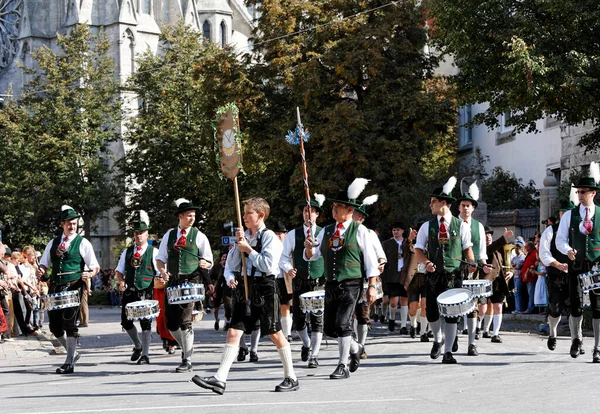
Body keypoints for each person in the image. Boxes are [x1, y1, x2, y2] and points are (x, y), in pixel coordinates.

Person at [192, 197, 299, 394]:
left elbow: (268, 265)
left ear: (260, 215)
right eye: (244, 212)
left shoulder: (270, 238)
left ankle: (291, 376)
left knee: (275, 333)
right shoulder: (244, 237)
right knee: (234, 331)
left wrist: (248, 250)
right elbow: (231, 264)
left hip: (266, 288)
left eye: (249, 213)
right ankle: (219, 378)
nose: (244, 217)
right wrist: (238, 245)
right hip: (245, 287)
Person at [304, 178, 380, 379]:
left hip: (352, 283)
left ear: (350, 211)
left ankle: (342, 365)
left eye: (339, 207)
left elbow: (371, 261)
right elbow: (314, 256)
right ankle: (355, 347)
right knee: (330, 327)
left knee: (343, 323)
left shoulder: (360, 230)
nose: (334, 210)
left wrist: (371, 286)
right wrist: (308, 248)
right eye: (334, 206)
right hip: (331, 284)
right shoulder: (327, 231)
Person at [413, 177, 480, 364]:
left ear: (444, 203)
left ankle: (449, 352)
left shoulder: (461, 226)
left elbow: (467, 248)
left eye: (433, 202)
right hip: (434, 274)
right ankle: (437, 339)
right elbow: (418, 249)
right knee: (432, 312)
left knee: (452, 313)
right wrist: (426, 262)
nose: (430, 205)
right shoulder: (427, 226)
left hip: (454, 274)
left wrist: (472, 262)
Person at [37, 205, 100, 374]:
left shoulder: (83, 242)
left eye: (74, 223)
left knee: (70, 323)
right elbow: (44, 262)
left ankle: (69, 361)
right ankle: (73, 352)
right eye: (69, 224)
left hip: (74, 286)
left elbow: (95, 267)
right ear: (62, 224)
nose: (72, 227)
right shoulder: (54, 242)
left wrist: (89, 274)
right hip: (55, 287)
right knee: (55, 327)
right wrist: (41, 270)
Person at [156, 198, 214, 372]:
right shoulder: (169, 235)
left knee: (185, 321)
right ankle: (187, 348)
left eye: (193, 216)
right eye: (189, 215)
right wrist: (162, 271)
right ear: (180, 216)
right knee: (171, 323)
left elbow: (208, 259)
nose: (192, 219)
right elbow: (160, 259)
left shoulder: (199, 236)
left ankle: (186, 359)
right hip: (173, 281)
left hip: (192, 280)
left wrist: (206, 263)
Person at [556, 164, 600, 361]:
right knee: (575, 303)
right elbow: (560, 239)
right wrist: (568, 250)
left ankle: (597, 347)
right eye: (578, 192)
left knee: (598, 305)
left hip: (597, 265)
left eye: (583, 192)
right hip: (576, 264)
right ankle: (577, 339)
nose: (580, 195)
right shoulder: (569, 215)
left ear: (593, 193)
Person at [280, 195, 326, 368]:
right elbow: (284, 257)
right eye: (306, 211)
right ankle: (306, 344)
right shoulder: (293, 234)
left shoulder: (324, 232)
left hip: (318, 280)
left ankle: (314, 355)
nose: (309, 214)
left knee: (317, 318)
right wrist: (288, 268)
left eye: (312, 212)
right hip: (300, 280)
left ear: (317, 215)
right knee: (299, 320)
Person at [115, 210, 159, 364]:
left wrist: (161, 279)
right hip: (130, 291)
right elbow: (119, 271)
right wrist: (121, 282)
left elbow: (160, 272)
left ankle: (146, 355)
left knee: (145, 323)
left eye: (141, 233)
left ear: (147, 235)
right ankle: (138, 345)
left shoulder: (153, 252)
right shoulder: (127, 252)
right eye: (136, 233)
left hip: (146, 291)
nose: (138, 236)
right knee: (125, 322)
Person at [454, 183, 488, 355]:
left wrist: (484, 264)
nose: (466, 208)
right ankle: (452, 338)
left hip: (472, 271)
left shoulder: (479, 227)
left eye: (469, 205)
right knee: (454, 305)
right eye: (463, 205)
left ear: (473, 208)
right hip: (454, 269)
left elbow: (482, 251)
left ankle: (471, 343)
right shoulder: (452, 224)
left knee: (473, 305)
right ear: (459, 207)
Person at [351, 194, 386, 358]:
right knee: (349, 314)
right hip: (349, 279)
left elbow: (381, 254)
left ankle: (361, 345)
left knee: (363, 314)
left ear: (360, 217)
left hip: (366, 279)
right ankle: (352, 344)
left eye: (354, 213)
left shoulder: (369, 233)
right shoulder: (343, 231)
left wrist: (381, 263)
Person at [539, 197, 575, 351]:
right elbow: (544, 254)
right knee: (555, 308)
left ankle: (576, 340)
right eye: (563, 212)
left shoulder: (577, 231)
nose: (565, 215)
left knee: (576, 308)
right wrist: (558, 265)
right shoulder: (550, 231)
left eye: (568, 213)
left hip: (574, 275)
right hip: (555, 275)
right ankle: (552, 333)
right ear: (560, 215)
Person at [478, 226, 514, 343]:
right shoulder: (482, 248)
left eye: (489, 235)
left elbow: (507, 264)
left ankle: (495, 333)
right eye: (485, 234)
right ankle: (477, 327)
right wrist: (503, 238)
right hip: (484, 281)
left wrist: (510, 272)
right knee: (482, 308)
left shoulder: (500, 249)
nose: (488, 236)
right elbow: (491, 247)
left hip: (498, 282)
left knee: (497, 306)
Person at [381, 221, 412, 334]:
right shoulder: (386, 244)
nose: (395, 232)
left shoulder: (408, 243)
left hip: (404, 275)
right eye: (394, 230)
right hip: (391, 275)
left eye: (398, 230)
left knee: (404, 300)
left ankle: (403, 325)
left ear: (403, 231)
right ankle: (392, 318)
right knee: (393, 302)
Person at [273, 221, 293, 344]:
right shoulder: (270, 245)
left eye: (281, 233)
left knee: (286, 306)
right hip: (274, 278)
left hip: (286, 279)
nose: (279, 235)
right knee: (276, 307)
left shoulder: (288, 245)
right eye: (277, 233)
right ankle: (278, 331)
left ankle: (287, 333)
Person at [211, 252, 232, 332]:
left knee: (228, 304)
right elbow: (211, 277)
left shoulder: (230, 266)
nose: (224, 260)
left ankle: (227, 322)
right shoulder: (217, 267)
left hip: (227, 288)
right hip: (218, 288)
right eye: (223, 258)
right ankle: (217, 320)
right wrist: (212, 288)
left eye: (226, 258)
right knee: (216, 306)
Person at [511, 237, 526, 314]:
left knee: (517, 293)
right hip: (515, 276)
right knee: (516, 292)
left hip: (519, 277)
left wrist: (514, 265)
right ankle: (518, 308)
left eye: (517, 248)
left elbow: (518, 266)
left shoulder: (522, 257)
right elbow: (512, 263)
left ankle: (519, 309)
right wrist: (514, 265)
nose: (516, 250)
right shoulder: (515, 257)